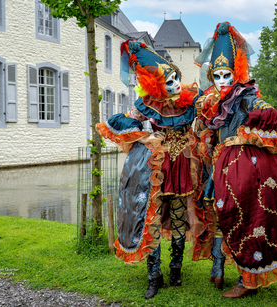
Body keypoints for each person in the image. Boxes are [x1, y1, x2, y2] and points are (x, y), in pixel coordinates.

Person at [194, 22, 277, 298]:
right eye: (216, 75)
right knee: (220, 215)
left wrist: (257, 118)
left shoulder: (246, 96)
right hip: (220, 165)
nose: (222, 81)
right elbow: (206, 130)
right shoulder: (209, 101)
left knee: (245, 219)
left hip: (243, 166)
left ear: (237, 72)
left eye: (226, 74)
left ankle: (247, 280)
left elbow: (267, 111)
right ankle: (217, 271)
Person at [96, 39, 210, 299]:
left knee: (180, 220)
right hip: (155, 171)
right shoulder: (146, 105)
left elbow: (208, 117)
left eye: (175, 79)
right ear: (157, 85)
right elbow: (119, 122)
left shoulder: (190, 101)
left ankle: (176, 269)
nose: (175, 85)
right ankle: (153, 275)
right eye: (168, 82)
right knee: (154, 221)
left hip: (184, 167)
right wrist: (143, 137)